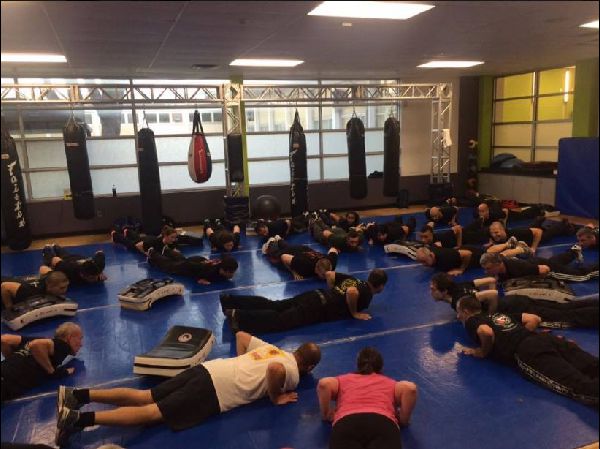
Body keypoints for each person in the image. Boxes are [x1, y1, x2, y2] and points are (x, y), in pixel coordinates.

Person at [55, 331, 321, 445]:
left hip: (212, 369)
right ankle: (77, 419)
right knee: (152, 413)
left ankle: (77, 395)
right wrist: (276, 397)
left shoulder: (274, 349)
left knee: (145, 396)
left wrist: (238, 363)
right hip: (216, 389)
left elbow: (241, 336)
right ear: (308, 367)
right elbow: (276, 372)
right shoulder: (295, 373)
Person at [456, 295, 598, 405]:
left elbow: (485, 332)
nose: (458, 317)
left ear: (466, 311)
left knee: (578, 386)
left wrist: (481, 351)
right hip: (543, 338)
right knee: (593, 365)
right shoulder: (498, 315)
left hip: (527, 351)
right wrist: (520, 335)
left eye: (459, 312)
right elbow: (534, 319)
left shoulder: (470, 320)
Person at [219, 269, 388, 334]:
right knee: (280, 320)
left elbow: (330, 274)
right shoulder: (366, 292)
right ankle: (239, 315)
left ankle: (231, 300)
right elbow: (351, 293)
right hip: (317, 307)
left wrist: (332, 293)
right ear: (380, 286)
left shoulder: (355, 279)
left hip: (315, 294)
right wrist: (354, 313)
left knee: (276, 305)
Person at [317, 347, 417, 449]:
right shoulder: (389, 383)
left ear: (358, 365)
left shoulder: (344, 379)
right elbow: (410, 388)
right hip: (382, 423)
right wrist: (403, 419)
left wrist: (326, 414)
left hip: (347, 423)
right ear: (381, 368)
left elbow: (324, 384)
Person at [430, 273, 599, 328]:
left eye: (433, 289)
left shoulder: (460, 300)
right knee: (565, 307)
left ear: (444, 291)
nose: (430, 291)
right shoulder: (461, 285)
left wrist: (490, 315)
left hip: (517, 308)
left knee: (565, 316)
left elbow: (492, 294)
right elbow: (490, 278)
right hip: (515, 300)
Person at [1, 323, 83, 402]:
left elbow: (4, 340)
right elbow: (36, 345)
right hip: (6, 381)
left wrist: (12, 362)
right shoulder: (63, 346)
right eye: (80, 338)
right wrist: (53, 371)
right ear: (70, 338)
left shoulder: (40, 340)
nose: (81, 344)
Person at [479, 251, 599, 283]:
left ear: (498, 264)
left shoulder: (517, 267)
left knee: (578, 276)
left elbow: (544, 270)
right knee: (556, 261)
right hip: (535, 262)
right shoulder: (499, 266)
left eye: (488, 268)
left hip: (543, 268)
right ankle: (573, 252)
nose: (485, 271)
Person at [147, 248, 238, 285]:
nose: (232, 275)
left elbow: (225, 256)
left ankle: (167, 251)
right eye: (230, 272)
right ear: (223, 270)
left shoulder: (222, 265)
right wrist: (201, 279)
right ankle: (153, 254)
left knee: (181, 259)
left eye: (233, 272)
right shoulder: (209, 272)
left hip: (199, 260)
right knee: (170, 266)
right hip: (190, 266)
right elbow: (198, 273)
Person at [263, 237, 339, 280]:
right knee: (274, 258)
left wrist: (337, 249)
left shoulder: (331, 262)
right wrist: (293, 271)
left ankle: (279, 240)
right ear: (316, 270)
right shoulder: (305, 264)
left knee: (289, 247)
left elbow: (333, 249)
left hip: (304, 250)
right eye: (323, 275)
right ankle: (271, 242)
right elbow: (284, 257)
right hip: (291, 253)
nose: (327, 276)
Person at [486, 219, 576, 254]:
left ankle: (563, 224)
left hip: (536, 238)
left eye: (496, 232)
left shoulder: (517, 233)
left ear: (503, 230)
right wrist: (491, 242)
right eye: (492, 233)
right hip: (527, 233)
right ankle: (540, 219)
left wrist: (533, 247)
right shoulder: (496, 237)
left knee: (546, 235)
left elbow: (538, 232)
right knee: (532, 227)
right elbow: (492, 235)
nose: (494, 235)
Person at [1, 271, 69, 310]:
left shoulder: (49, 276)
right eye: (62, 288)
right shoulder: (31, 291)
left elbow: (43, 268)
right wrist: (9, 308)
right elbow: (5, 286)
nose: (65, 290)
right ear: (50, 286)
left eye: (66, 286)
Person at [40, 244, 107, 284]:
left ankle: (56, 247)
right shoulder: (68, 270)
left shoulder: (99, 265)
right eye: (91, 278)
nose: (95, 280)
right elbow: (54, 261)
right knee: (50, 260)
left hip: (77, 257)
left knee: (66, 255)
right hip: (67, 261)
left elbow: (100, 252)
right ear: (82, 275)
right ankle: (47, 249)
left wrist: (100, 272)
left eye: (95, 276)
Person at [111, 225, 181, 255]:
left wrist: (175, 251)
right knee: (129, 244)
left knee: (138, 237)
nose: (174, 239)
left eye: (175, 237)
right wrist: (146, 253)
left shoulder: (172, 242)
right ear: (165, 236)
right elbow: (139, 245)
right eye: (172, 237)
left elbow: (173, 249)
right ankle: (115, 235)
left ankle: (128, 231)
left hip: (148, 238)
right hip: (141, 243)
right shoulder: (156, 242)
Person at [415, 245, 484, 276]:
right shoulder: (430, 250)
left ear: (431, 255)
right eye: (420, 262)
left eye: (424, 261)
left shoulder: (446, 256)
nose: (423, 264)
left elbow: (468, 253)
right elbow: (438, 244)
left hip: (476, 257)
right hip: (459, 252)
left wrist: (461, 269)